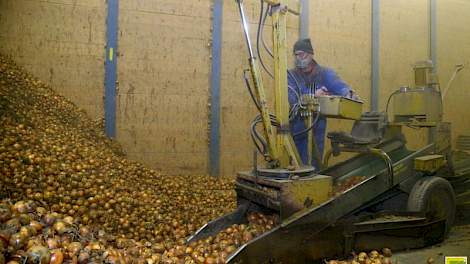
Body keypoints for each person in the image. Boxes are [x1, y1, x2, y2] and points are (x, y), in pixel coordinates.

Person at [287, 38, 359, 168]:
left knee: (314, 165)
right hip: (296, 129)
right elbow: (292, 98)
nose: (298, 58)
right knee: (295, 166)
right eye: (295, 54)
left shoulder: (324, 74)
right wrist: (313, 96)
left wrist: (349, 94)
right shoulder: (291, 75)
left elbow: (338, 85)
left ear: (310, 54)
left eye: (301, 54)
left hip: (316, 129)